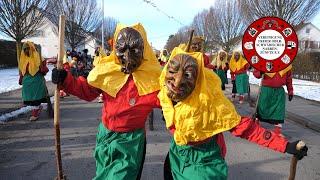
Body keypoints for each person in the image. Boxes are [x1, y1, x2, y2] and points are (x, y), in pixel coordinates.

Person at [159, 47, 307, 180]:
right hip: (176, 155)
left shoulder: (211, 105)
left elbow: (248, 129)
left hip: (204, 162)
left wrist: (286, 145)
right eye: (172, 73)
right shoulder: (163, 94)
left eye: (187, 75)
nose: (177, 82)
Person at [52, 23, 161, 180]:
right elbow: (87, 90)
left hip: (131, 142)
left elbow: (172, 104)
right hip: (105, 136)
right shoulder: (108, 71)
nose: (128, 55)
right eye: (122, 49)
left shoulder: (153, 79)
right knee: (103, 174)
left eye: (135, 50)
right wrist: (65, 79)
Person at [253, 65, 294, 136]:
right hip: (266, 90)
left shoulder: (286, 65)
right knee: (262, 107)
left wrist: (290, 91)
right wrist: (261, 72)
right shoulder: (265, 62)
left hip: (279, 91)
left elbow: (289, 79)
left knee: (279, 110)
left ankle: (277, 131)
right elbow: (256, 74)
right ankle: (256, 125)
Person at [18, 41, 49, 121]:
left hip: (36, 80)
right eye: (24, 49)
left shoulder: (39, 57)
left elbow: (44, 69)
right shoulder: (23, 58)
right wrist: (21, 78)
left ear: (32, 48)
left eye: (28, 49)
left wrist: (42, 68)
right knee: (29, 98)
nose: (26, 51)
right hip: (27, 81)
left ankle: (35, 112)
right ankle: (37, 108)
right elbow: (22, 70)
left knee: (36, 98)